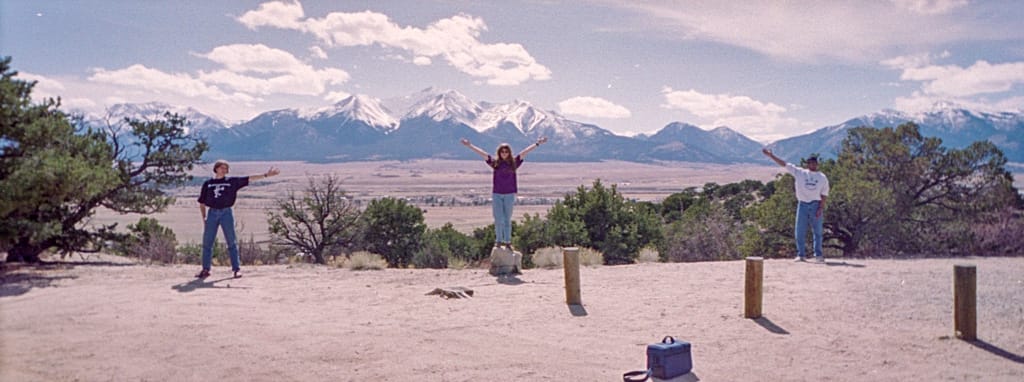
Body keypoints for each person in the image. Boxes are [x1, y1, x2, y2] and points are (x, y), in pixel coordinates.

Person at [195, 160, 280, 279]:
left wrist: (266, 175)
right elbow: (202, 202)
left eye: (226, 168)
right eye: (222, 168)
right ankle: (205, 269)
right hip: (212, 213)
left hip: (226, 213)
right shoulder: (208, 184)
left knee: (231, 242)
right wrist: (203, 216)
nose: (224, 170)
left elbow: (249, 179)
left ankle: (236, 269)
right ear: (216, 169)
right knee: (207, 243)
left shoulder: (232, 182)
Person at [461, 137, 548, 250]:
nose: (504, 153)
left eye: (506, 151)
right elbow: (483, 154)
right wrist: (470, 145)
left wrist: (537, 143)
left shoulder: (514, 163)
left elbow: (525, 152)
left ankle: (507, 241)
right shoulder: (495, 163)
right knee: (498, 218)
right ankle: (498, 240)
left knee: (507, 219)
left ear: (509, 152)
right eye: (502, 151)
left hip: (509, 194)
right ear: (499, 152)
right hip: (497, 194)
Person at [762, 148, 830, 263]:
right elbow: (784, 164)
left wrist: (820, 208)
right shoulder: (799, 172)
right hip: (802, 204)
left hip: (815, 204)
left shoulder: (822, 177)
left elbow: (824, 194)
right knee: (800, 230)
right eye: (810, 163)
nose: (812, 165)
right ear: (807, 164)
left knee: (818, 231)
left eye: (814, 163)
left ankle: (818, 255)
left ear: (817, 164)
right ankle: (801, 254)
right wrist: (771, 156)